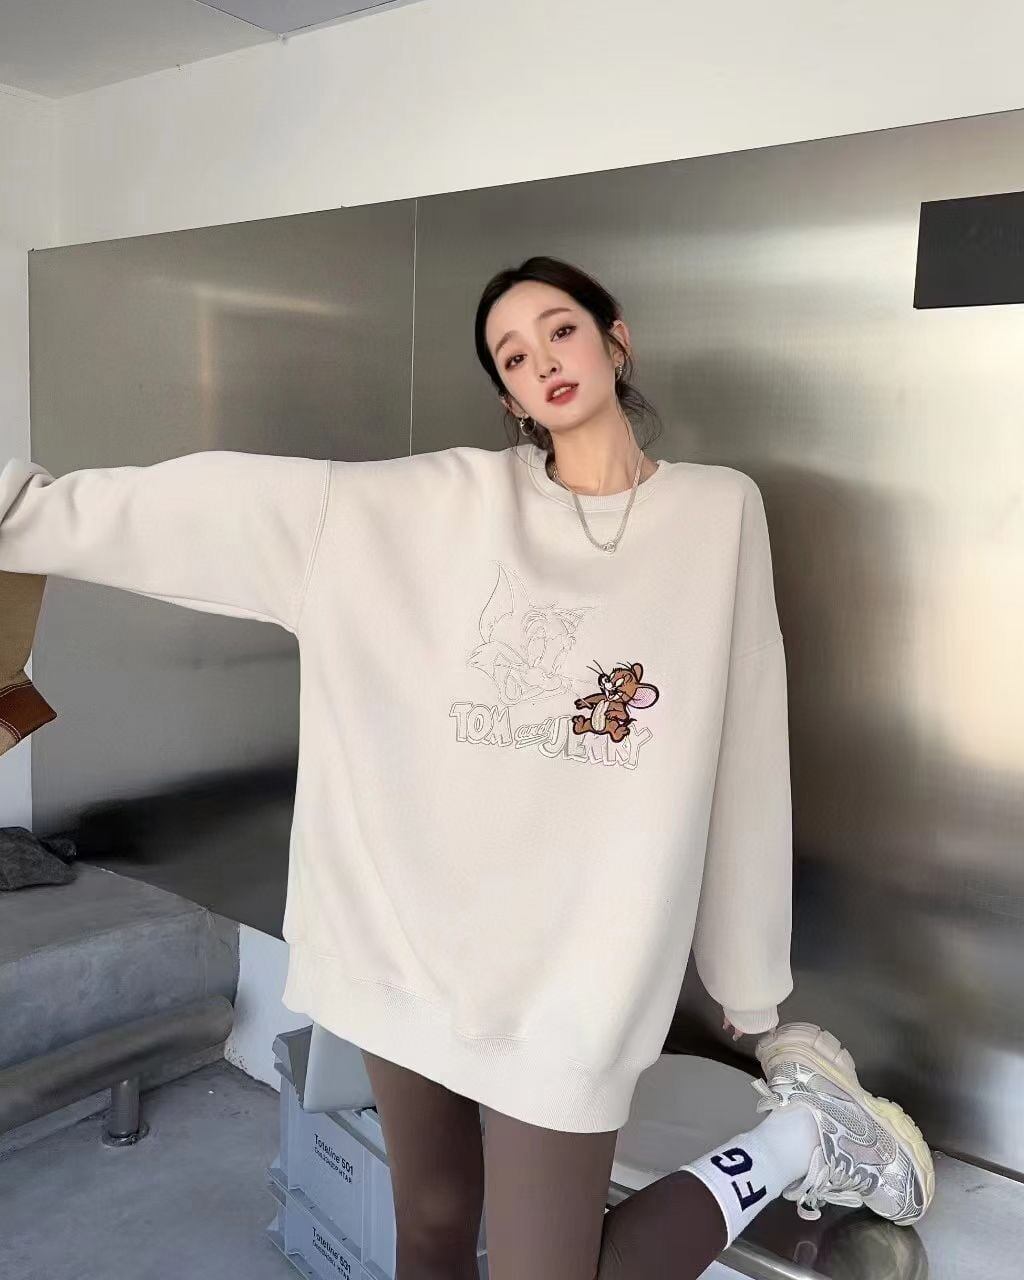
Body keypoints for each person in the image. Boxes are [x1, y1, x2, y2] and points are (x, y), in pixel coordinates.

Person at [0, 255, 934, 1277]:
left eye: (560, 329)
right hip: (405, 939)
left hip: (579, 973)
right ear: (509, 397)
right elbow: (234, 502)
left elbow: (746, 734)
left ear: (616, 339)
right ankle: (800, 1137)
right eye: (514, 356)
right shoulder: (438, 501)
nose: (545, 361)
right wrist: (25, 512)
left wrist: (747, 974)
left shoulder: (718, 512)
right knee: (434, 1225)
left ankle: (800, 1137)